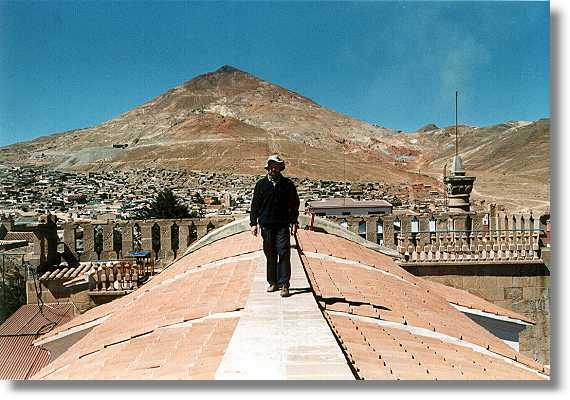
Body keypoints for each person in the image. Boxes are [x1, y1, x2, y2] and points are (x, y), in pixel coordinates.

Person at [250, 155, 300, 297]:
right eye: (272, 166)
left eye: (277, 166)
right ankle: (273, 282)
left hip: (282, 225)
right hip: (266, 225)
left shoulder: (287, 184)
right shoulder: (261, 185)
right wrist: (253, 223)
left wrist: (294, 221)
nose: (274, 169)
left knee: (284, 252)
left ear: (280, 168)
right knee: (270, 254)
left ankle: (284, 284)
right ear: (268, 168)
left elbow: (294, 204)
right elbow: (255, 205)